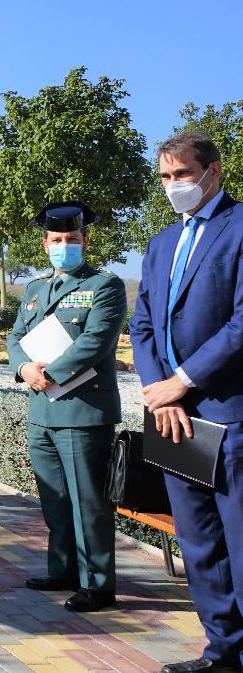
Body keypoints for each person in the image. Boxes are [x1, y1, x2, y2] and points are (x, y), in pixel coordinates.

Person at [131, 132, 243, 673]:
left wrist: (184, 380)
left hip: (228, 413)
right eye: (165, 178)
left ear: (213, 173)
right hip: (173, 417)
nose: (174, 186)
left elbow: (242, 323)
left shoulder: (240, 227)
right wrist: (162, 393)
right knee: (198, 543)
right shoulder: (160, 244)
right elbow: (144, 323)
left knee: (240, 543)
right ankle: (221, 649)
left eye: (183, 174)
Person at [6, 201, 125, 613]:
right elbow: (15, 337)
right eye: (56, 241)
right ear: (45, 245)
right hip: (42, 410)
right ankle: (63, 571)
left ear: (85, 241)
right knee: (54, 498)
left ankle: (98, 584)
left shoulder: (105, 286)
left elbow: (97, 342)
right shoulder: (37, 289)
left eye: (71, 240)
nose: (64, 246)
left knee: (88, 502)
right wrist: (23, 369)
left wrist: (49, 374)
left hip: (82, 411)